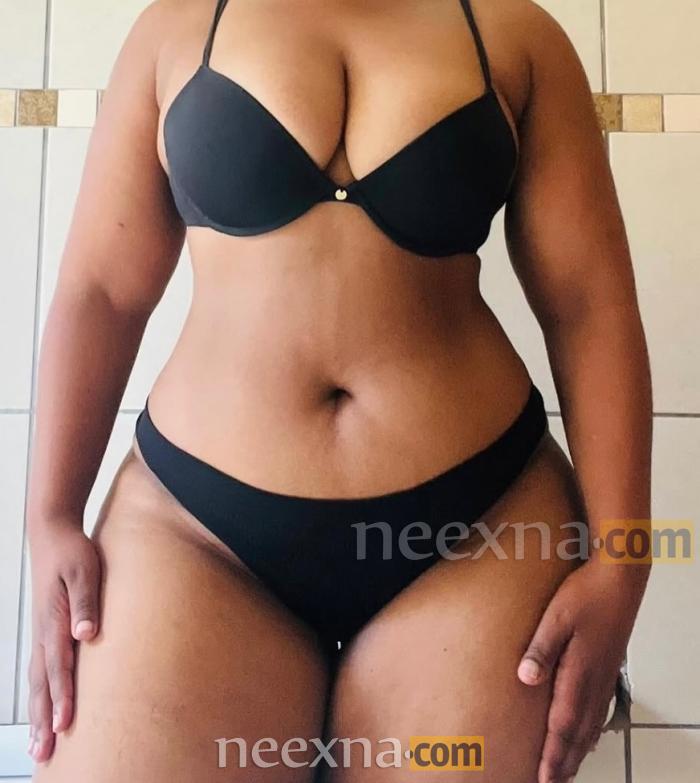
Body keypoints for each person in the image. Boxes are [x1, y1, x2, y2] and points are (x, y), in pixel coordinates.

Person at [26, 0, 652, 781]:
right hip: (195, 534)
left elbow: (589, 305)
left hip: (478, 534)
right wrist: (49, 516)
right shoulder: (173, 28)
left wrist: (623, 561)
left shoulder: (518, 35)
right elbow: (101, 292)